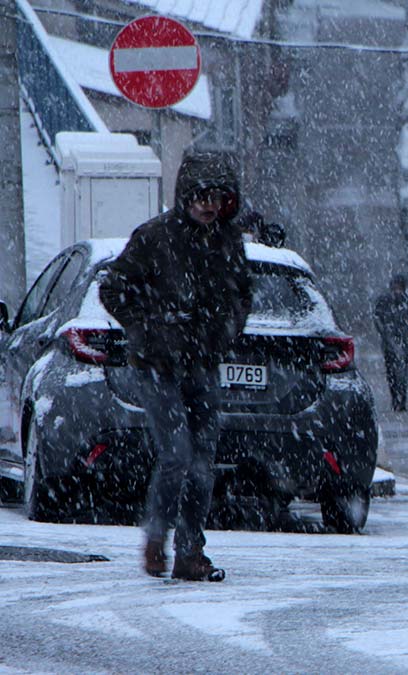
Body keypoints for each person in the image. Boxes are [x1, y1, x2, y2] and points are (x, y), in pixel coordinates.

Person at [100, 150, 253, 582]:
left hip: (203, 364)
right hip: (159, 366)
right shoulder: (153, 237)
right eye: (200, 195)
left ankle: (190, 552)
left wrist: (224, 332)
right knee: (176, 457)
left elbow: (242, 294)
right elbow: (114, 289)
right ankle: (156, 538)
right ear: (184, 196)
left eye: (217, 196)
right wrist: (148, 331)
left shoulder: (227, 241)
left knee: (203, 465)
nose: (208, 205)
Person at [373, 274, 408, 411]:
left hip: (404, 340)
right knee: (391, 370)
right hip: (389, 340)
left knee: (402, 370)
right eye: (395, 287)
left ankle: (402, 399)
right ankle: (395, 397)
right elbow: (377, 317)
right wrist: (385, 331)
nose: (397, 290)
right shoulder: (385, 300)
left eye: (400, 287)